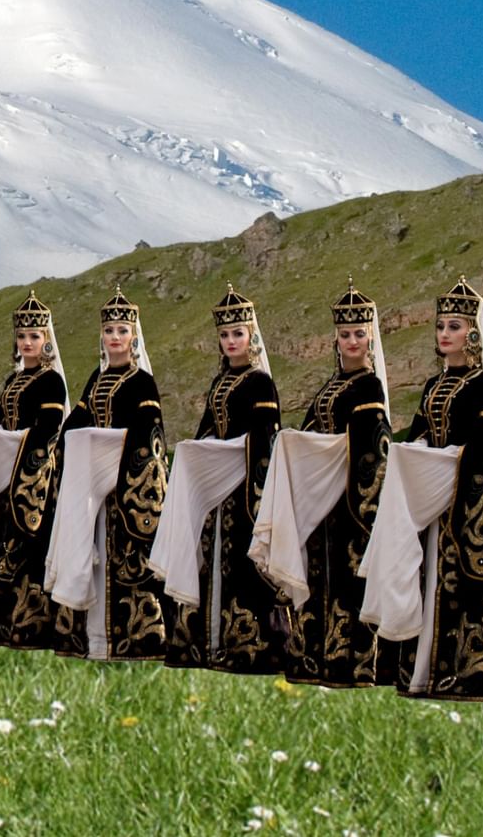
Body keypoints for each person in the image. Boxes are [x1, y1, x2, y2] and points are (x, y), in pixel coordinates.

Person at [398, 278, 483, 700]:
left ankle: (477, 677)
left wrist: (454, 475)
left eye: (453, 326)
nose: (444, 334)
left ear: (472, 332)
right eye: (440, 326)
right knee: (429, 582)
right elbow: (420, 434)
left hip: (467, 505)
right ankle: (425, 675)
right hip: (430, 501)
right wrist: (414, 453)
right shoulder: (433, 386)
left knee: (463, 587)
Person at [165, 285, 286, 674]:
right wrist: (199, 450)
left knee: (239, 564)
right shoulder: (219, 384)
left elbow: (265, 436)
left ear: (251, 335)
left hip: (243, 488)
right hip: (212, 491)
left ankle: (247, 646)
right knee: (208, 561)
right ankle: (205, 643)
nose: (231, 341)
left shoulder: (260, 382)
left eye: (238, 333)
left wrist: (229, 455)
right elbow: (206, 430)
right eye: (224, 335)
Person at [280, 283, 394, 688]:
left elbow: (372, 446)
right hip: (318, 506)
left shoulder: (369, 386)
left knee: (348, 585)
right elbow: (312, 433)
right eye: (345, 335)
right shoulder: (329, 387)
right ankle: (314, 661)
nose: (351, 341)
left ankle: (354, 666)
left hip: (350, 504)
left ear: (370, 338)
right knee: (317, 583)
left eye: (359, 334)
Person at [57, 288, 168, 661]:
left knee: (125, 563)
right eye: (109, 331)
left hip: (125, 487)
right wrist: (63, 441)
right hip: (91, 485)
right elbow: (79, 418)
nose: (115, 337)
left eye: (122, 330)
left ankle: (134, 642)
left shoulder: (142, 382)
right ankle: (89, 641)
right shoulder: (97, 379)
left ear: (134, 336)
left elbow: (149, 431)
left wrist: (124, 468)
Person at [0, 291, 76, 652]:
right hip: (5, 474)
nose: (27, 342)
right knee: (0, 543)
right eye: (22, 337)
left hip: (36, 478)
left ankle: (34, 625)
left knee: (29, 547)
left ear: (46, 340)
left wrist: (16, 444)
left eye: (34, 336)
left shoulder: (52, 381)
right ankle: (1, 623)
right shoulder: (12, 380)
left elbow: (50, 426)